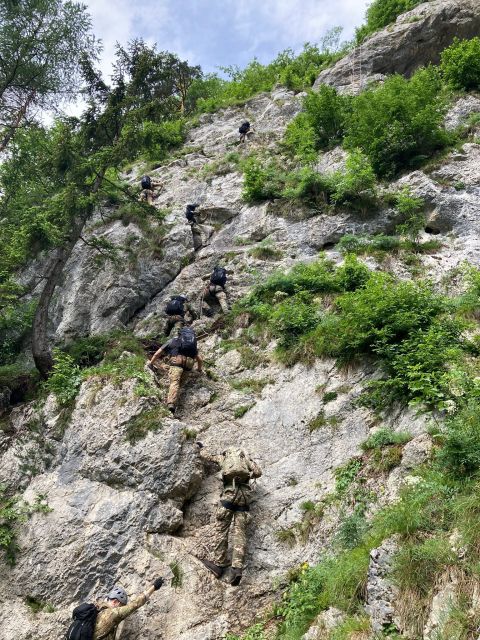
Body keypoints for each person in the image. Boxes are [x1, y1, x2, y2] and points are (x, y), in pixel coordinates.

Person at [196, 444, 262, 586]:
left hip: (229, 495)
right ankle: (237, 569)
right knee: (240, 533)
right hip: (244, 497)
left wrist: (201, 448)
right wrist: (247, 476)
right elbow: (258, 472)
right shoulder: (245, 459)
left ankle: (219, 565)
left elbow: (209, 457)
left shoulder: (224, 458)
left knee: (221, 529)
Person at [148, 327, 203, 414]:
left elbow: (157, 354)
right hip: (188, 365)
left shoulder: (172, 341)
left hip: (177, 363)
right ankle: (175, 400)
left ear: (179, 334)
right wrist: (199, 370)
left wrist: (151, 363)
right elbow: (200, 360)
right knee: (179, 384)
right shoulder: (191, 345)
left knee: (174, 382)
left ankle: (171, 404)